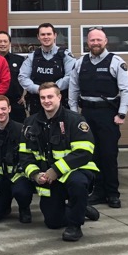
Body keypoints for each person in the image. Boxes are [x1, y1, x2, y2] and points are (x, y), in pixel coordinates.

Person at [20, 82, 101, 242]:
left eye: (50, 96)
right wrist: (36, 175)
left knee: (77, 184)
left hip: (75, 172)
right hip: (50, 179)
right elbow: (24, 155)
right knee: (52, 222)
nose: (46, 101)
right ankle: (80, 208)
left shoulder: (75, 120)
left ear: (59, 97)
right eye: (43, 97)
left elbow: (84, 152)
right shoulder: (30, 123)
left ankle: (75, 226)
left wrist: (55, 170)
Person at [69, 28, 128, 209]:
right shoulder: (80, 62)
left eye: (99, 39)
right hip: (86, 114)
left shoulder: (116, 62)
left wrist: (121, 114)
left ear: (105, 41)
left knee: (108, 155)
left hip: (108, 114)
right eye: (92, 40)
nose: (95, 43)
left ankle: (112, 193)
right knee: (91, 155)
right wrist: (75, 114)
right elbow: (73, 90)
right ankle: (97, 192)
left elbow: (127, 90)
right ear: (87, 42)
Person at [0, 95, 34, 223]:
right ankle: (4, 206)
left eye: (3, 109)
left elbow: (29, 157)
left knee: (22, 191)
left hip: (18, 176)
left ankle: (24, 208)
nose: (0, 112)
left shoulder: (21, 131)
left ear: (9, 109)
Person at [18, 23, 76, 117]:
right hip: (36, 104)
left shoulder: (65, 55)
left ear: (55, 35)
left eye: (49, 34)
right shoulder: (32, 56)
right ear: (38, 37)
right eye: (43, 34)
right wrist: (38, 89)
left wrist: (51, 90)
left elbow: (71, 77)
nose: (46, 37)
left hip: (60, 105)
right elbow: (22, 77)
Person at [0, 30, 27, 123]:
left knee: (19, 132)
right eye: (0, 42)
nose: (3, 44)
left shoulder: (19, 60)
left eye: (5, 41)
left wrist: (25, 95)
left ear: (10, 43)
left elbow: (27, 78)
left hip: (16, 104)